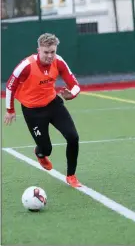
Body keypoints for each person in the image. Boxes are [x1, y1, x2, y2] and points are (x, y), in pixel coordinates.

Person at [4, 33, 82, 187]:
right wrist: (10, 110)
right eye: (46, 52)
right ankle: (40, 153)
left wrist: (71, 94)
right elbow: (10, 86)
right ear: (38, 50)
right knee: (46, 149)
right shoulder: (25, 66)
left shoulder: (59, 62)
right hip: (32, 111)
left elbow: (75, 85)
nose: (50, 56)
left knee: (73, 137)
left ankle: (71, 176)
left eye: (53, 51)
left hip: (53, 104)